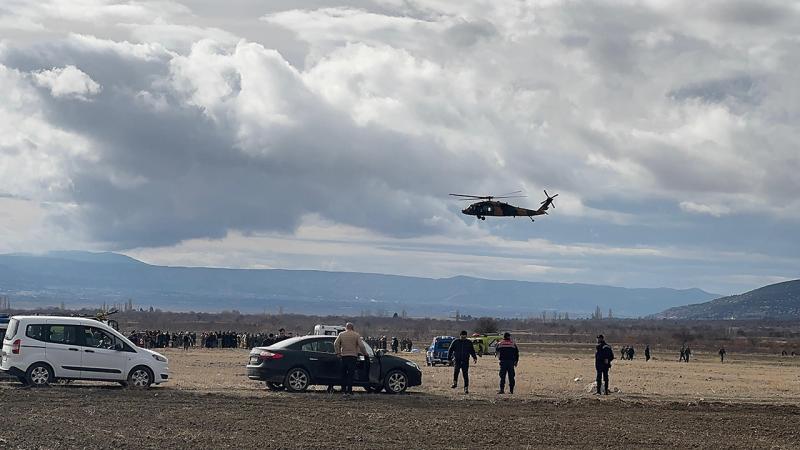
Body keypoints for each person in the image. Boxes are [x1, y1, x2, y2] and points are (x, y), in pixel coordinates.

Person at [334, 322, 367, 396]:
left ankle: (343, 391)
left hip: (344, 356)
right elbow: (361, 346)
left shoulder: (341, 334)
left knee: (343, 374)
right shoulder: (356, 335)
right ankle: (349, 391)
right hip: (353, 357)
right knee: (350, 375)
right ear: (352, 327)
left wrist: (338, 353)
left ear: (346, 327)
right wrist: (365, 353)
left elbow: (335, 343)